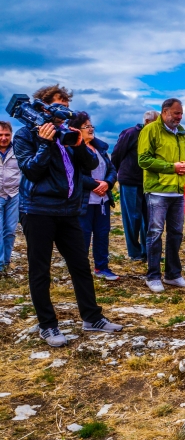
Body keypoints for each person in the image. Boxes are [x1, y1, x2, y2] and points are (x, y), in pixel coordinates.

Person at [15, 84, 123, 347]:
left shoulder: (68, 134)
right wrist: (45, 143)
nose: (64, 111)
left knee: (80, 266)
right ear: (43, 106)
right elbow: (32, 171)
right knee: (40, 270)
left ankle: (92, 318)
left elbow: (91, 165)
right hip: (38, 209)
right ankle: (48, 325)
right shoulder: (25, 135)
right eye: (58, 105)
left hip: (68, 210)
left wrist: (79, 144)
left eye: (66, 106)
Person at [138, 98, 185, 292]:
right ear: (164, 112)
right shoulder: (150, 130)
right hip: (157, 191)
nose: (179, 117)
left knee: (176, 233)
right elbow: (143, 160)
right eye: (176, 113)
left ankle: (173, 275)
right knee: (155, 233)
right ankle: (153, 276)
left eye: (181, 114)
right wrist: (172, 167)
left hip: (177, 192)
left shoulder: (182, 134)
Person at [72, 112, 119, 281]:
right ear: (76, 130)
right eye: (86, 126)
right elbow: (74, 174)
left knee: (102, 234)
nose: (91, 129)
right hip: (84, 201)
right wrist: (95, 185)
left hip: (102, 201)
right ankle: (80, 271)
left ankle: (102, 267)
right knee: (83, 236)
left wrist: (107, 183)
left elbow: (112, 169)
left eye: (91, 126)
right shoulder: (73, 150)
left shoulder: (100, 148)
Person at [111, 110, 158, 261]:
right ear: (147, 122)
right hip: (130, 180)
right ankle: (134, 252)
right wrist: (114, 176)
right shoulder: (130, 133)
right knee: (132, 218)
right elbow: (117, 154)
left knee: (148, 218)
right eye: (156, 123)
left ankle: (147, 251)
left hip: (148, 182)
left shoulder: (155, 135)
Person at [0, 121, 20, 274]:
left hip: (14, 195)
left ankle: (6, 262)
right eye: (0, 135)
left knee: (10, 231)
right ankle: (0, 265)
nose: (4, 138)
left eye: (7, 135)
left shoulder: (18, 150)